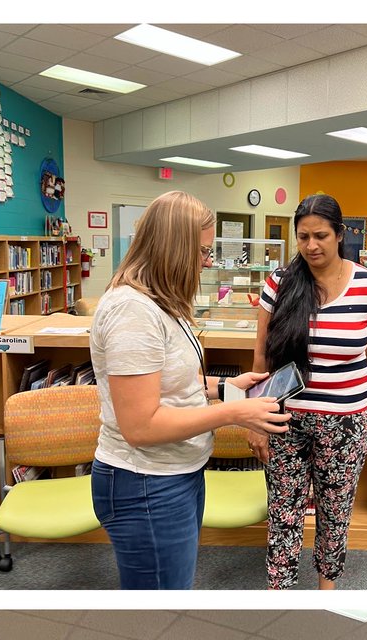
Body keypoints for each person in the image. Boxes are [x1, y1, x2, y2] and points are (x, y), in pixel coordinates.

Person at [88, 189, 291, 589]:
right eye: (201, 252)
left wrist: (222, 386)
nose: (207, 262)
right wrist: (234, 413)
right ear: (173, 249)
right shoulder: (132, 312)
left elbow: (167, 383)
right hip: (145, 482)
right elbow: (141, 426)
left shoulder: (159, 302)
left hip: (174, 475)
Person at [252, 193, 367, 589]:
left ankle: (326, 586)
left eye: (320, 235)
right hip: (285, 417)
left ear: (340, 234)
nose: (311, 245)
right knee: (283, 509)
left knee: (335, 510)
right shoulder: (279, 284)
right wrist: (255, 421)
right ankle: (278, 588)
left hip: (346, 420)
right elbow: (262, 354)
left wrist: (343, 369)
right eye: (303, 237)